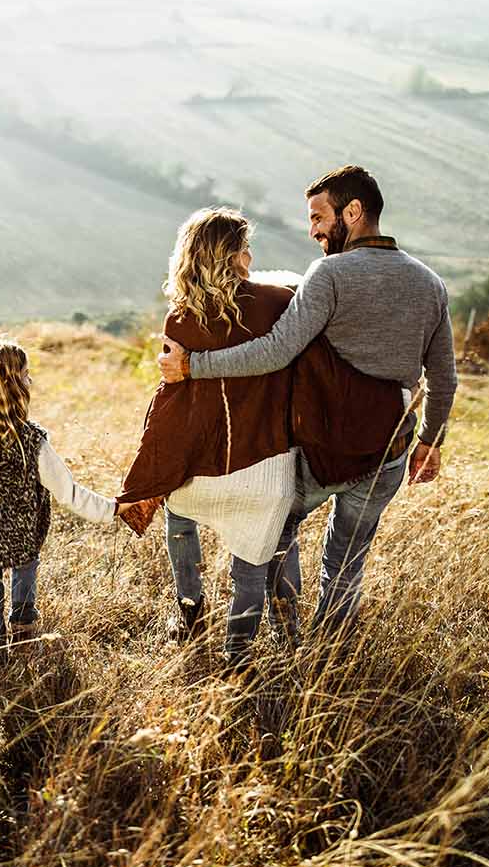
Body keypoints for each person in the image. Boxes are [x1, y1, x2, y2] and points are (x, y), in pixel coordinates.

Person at [158, 166, 458, 635]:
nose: (313, 228)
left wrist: (193, 366)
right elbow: (444, 377)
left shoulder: (330, 274)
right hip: (390, 451)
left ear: (353, 212)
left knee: (276, 531)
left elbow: (276, 350)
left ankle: (286, 633)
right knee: (348, 558)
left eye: (319, 216)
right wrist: (429, 442)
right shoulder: (430, 284)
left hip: (322, 449)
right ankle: (332, 648)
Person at [119, 209, 406, 671]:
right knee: (257, 558)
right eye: (246, 247)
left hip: (208, 474)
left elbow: (173, 409)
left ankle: (190, 610)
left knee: (178, 515)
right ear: (236, 256)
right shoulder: (278, 302)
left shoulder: (180, 320)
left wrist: (151, 475)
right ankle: (253, 650)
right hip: (267, 467)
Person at [0, 339, 125, 656]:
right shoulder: (30, 440)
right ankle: (23, 625)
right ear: (11, 386)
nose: (31, 380)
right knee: (26, 565)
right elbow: (68, 493)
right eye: (26, 374)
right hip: (22, 532)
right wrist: (113, 509)